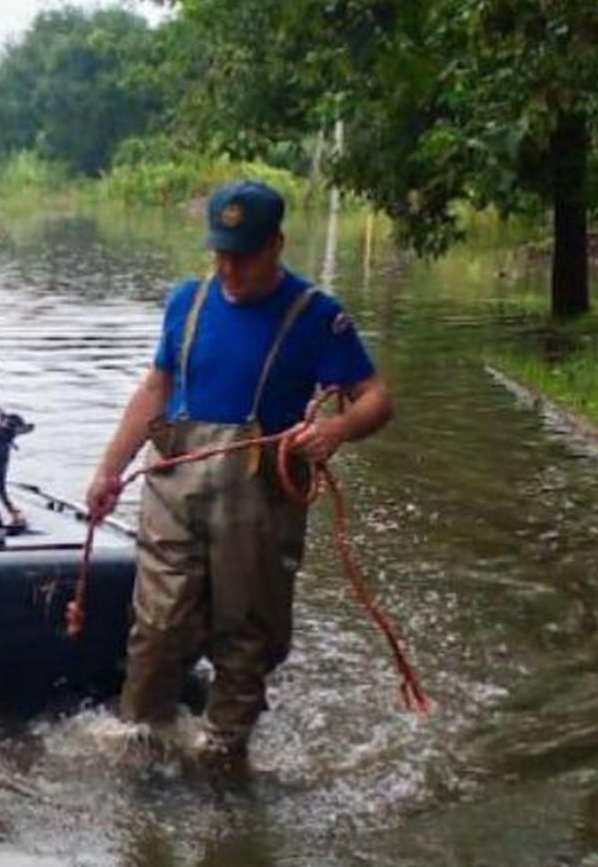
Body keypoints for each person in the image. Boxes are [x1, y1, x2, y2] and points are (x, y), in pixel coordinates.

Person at [85, 180, 392, 764]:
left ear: (276, 245)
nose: (229, 268)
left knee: (246, 636)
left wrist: (336, 431)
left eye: (244, 256)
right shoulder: (186, 302)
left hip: (259, 504)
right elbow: (156, 388)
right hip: (174, 490)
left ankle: (224, 758)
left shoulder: (315, 317)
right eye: (221, 252)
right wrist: (108, 469)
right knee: (157, 625)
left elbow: (375, 397)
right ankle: (139, 742)